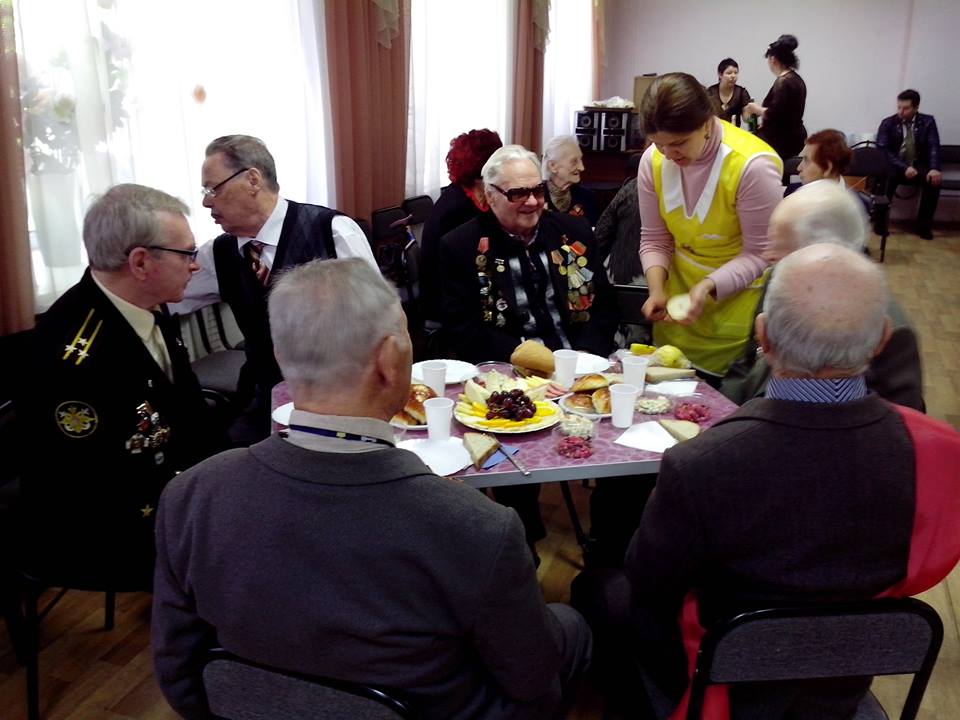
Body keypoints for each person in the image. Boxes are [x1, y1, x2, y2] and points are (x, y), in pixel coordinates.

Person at [152, 257, 592, 720]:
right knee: (571, 628)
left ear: (281, 355)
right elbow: (530, 677)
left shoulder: (190, 495)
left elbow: (180, 673)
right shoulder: (478, 526)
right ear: (389, 361)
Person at [576, 243, 960, 719]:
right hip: (842, 680)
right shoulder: (938, 454)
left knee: (595, 588)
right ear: (882, 338)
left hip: (719, 678)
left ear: (763, 335)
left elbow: (651, 587)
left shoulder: (701, 464)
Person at [21, 184, 219, 588]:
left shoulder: (146, 303)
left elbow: (186, 409)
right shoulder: (75, 358)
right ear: (141, 262)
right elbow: (95, 481)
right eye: (187, 253)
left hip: (169, 483)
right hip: (104, 527)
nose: (195, 266)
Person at [439, 144, 617, 556]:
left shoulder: (574, 232)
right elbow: (462, 330)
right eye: (518, 193)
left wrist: (582, 363)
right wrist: (527, 367)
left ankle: (609, 546)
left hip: (579, 368)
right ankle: (522, 544)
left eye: (537, 189)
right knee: (505, 440)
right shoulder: (461, 246)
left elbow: (604, 308)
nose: (533, 201)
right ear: (490, 196)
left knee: (626, 443)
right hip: (508, 376)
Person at [169, 134, 377, 445]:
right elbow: (165, 296)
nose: (206, 202)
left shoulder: (332, 232)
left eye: (212, 189)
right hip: (261, 399)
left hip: (336, 397)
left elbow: (380, 324)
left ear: (252, 180)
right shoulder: (218, 254)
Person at [720, 180, 925, 410]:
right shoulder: (780, 280)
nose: (767, 255)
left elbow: (901, 421)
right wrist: (723, 416)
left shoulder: (894, 333)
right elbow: (747, 363)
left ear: (824, 254)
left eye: (779, 247)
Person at [637, 72, 783, 381]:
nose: (669, 155)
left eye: (678, 143)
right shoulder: (653, 161)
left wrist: (706, 287)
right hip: (676, 318)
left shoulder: (751, 166)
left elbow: (760, 253)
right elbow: (655, 238)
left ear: (706, 123)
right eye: (659, 145)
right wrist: (657, 290)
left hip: (734, 316)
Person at [420, 128, 503, 322]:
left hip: (463, 284)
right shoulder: (456, 209)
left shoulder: (472, 196)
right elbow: (468, 265)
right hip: (446, 299)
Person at [876, 89, 942, 240]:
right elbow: (883, 150)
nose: (901, 111)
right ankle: (880, 225)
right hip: (895, 165)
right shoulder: (888, 123)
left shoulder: (928, 122)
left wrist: (934, 168)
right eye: (899, 107)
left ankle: (923, 227)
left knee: (934, 181)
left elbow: (933, 146)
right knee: (885, 180)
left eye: (905, 108)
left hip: (918, 165)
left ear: (916, 107)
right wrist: (904, 167)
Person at [744, 34, 807, 160]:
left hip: (782, 141)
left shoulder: (783, 82)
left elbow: (775, 114)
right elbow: (785, 114)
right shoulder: (796, 79)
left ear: (773, 59)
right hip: (796, 137)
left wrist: (755, 109)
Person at [542, 135, 599, 226]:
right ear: (553, 166)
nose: (582, 168)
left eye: (580, 160)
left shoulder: (588, 197)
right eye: (574, 161)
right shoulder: (536, 197)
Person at [706, 58, 751, 127]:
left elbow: (746, 119)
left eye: (736, 73)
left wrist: (754, 111)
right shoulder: (710, 92)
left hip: (734, 131)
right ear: (720, 74)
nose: (733, 76)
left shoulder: (741, 92)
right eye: (729, 73)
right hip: (714, 130)